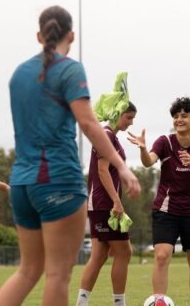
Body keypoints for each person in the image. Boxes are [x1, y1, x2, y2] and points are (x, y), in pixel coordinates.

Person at [0, 5, 140, 306]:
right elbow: (88, 123)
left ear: (38, 35)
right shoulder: (70, 69)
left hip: (22, 183)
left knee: (27, 271)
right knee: (58, 275)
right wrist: (122, 167)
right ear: (71, 35)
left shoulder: (19, 74)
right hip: (58, 181)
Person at [128, 97, 190, 306]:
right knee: (162, 256)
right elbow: (149, 162)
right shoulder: (164, 142)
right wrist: (141, 149)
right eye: (175, 116)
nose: (179, 119)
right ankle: (159, 302)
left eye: (184, 115)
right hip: (166, 208)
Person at [76, 102, 137, 306]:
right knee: (124, 252)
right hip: (103, 202)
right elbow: (102, 170)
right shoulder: (107, 135)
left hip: (102, 203)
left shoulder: (111, 137)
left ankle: (81, 303)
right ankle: (119, 303)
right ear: (117, 113)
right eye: (128, 117)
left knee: (100, 255)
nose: (131, 122)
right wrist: (116, 201)